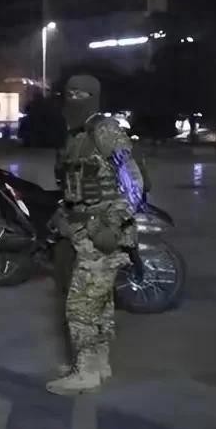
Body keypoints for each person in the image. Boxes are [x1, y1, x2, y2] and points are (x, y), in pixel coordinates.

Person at [47, 74, 145, 395]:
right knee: (99, 303)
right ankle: (97, 364)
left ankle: (85, 372)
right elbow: (74, 187)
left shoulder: (105, 130)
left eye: (81, 94)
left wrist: (111, 226)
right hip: (83, 231)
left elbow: (133, 184)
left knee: (80, 306)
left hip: (102, 233)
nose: (73, 100)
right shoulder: (76, 136)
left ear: (94, 97)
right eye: (70, 93)